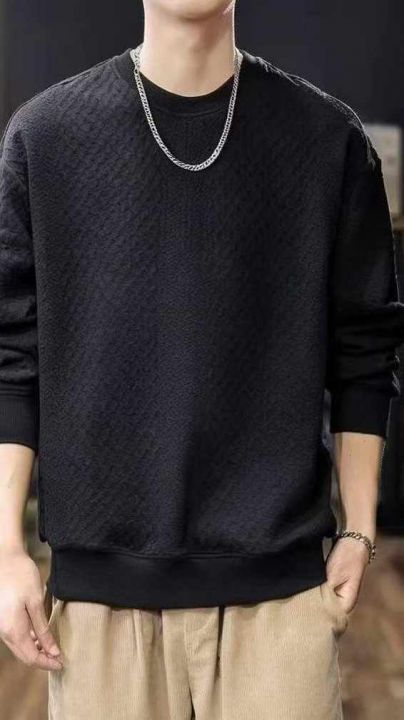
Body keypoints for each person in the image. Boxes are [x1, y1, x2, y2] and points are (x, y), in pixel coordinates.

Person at [0, 1, 403, 718]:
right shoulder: (45, 137)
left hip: (280, 599)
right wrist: (6, 549)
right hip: (98, 607)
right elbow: (13, 358)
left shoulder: (327, 140)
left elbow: (365, 350)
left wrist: (359, 529)